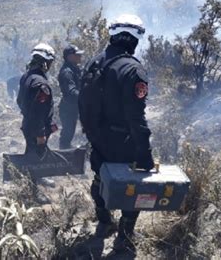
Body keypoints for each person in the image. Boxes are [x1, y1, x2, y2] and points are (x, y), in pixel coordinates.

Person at [79, 14, 154, 254]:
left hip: (97, 137)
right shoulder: (133, 70)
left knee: (100, 178)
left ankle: (103, 221)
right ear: (135, 40)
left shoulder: (94, 62)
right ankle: (125, 235)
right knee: (134, 188)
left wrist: (91, 133)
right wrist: (145, 153)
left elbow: (82, 102)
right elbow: (136, 118)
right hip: (124, 141)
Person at [16, 43, 58, 202]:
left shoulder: (26, 77)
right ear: (45, 62)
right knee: (34, 157)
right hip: (36, 127)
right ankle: (33, 192)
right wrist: (41, 134)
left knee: (38, 153)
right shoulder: (41, 84)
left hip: (29, 124)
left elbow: (20, 101)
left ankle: (39, 177)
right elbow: (38, 112)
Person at [58, 44, 84, 149]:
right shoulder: (67, 72)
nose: (80, 57)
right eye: (77, 55)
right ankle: (64, 156)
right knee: (68, 133)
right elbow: (71, 92)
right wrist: (86, 97)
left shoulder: (75, 69)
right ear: (70, 57)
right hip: (68, 108)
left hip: (76, 107)